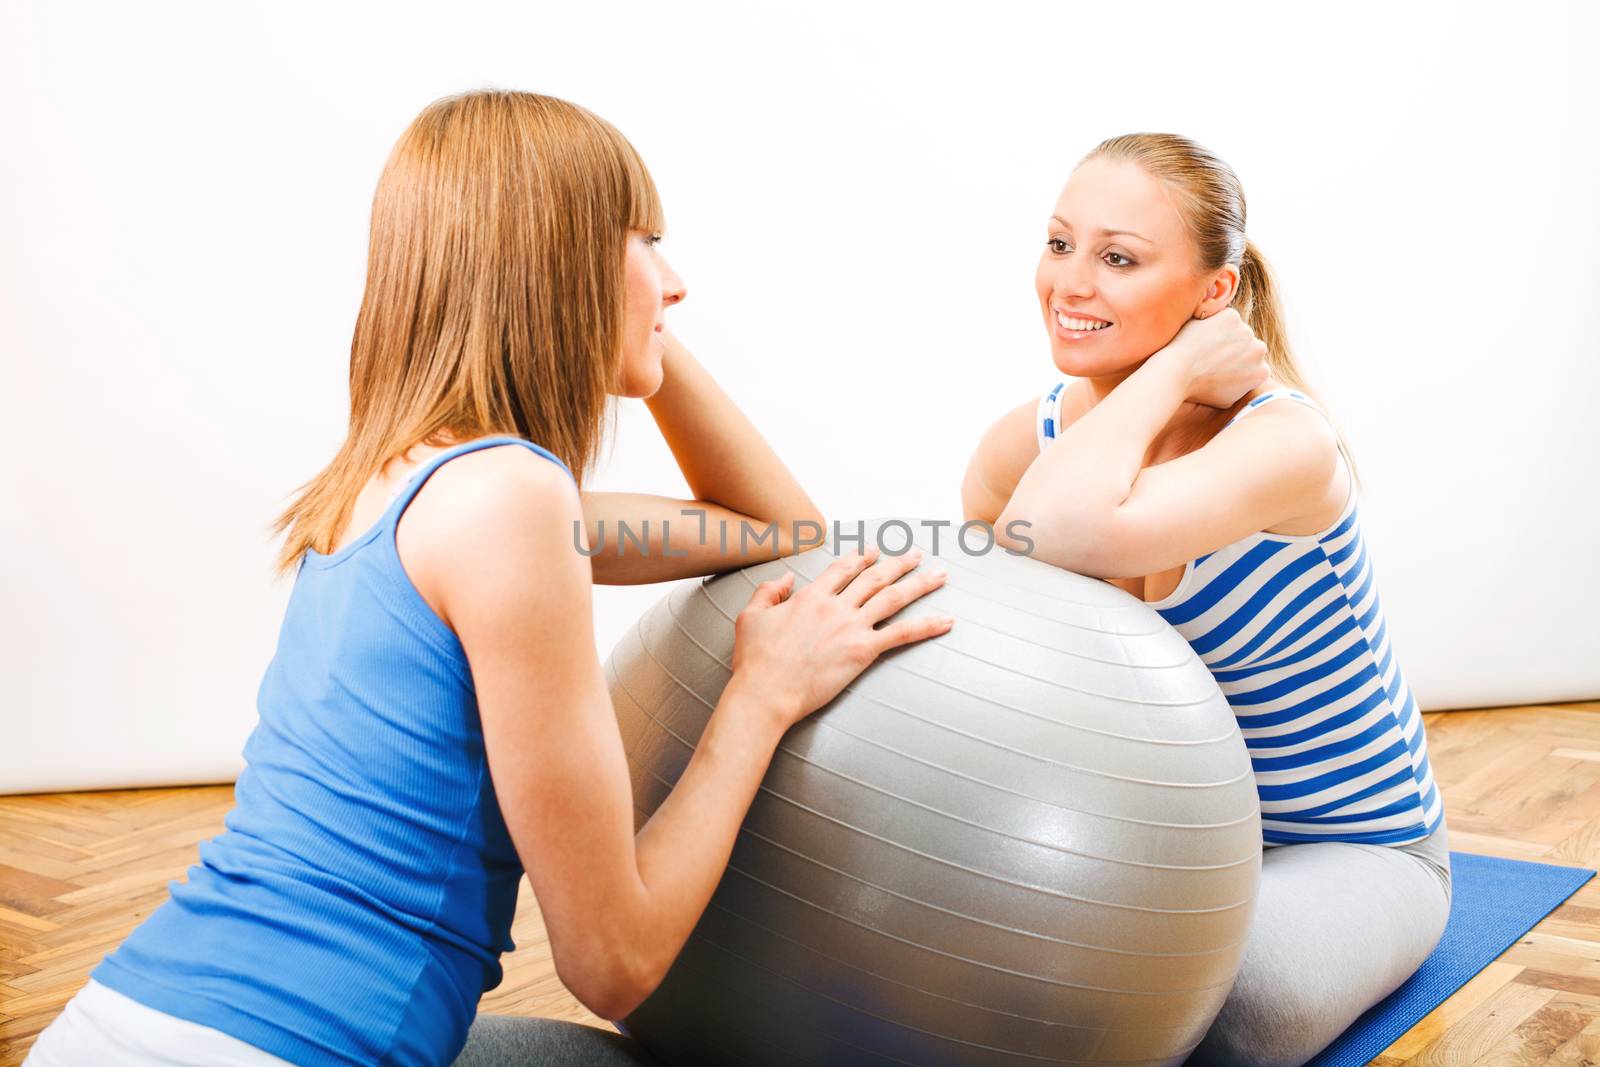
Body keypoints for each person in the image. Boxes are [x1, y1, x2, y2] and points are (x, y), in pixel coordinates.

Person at [24, 89, 954, 1067]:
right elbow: (615, 961)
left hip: (125, 1019)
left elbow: (777, 529)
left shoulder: (401, 479)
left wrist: (635, 326)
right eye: (642, 241)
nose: (674, 282)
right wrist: (760, 693)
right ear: (558, 267)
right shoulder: (508, 505)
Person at [961, 133, 1452, 1067]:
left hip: (1351, 849)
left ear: (1212, 295)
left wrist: (1178, 373)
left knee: (1226, 1009)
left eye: (1118, 258)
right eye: (1060, 243)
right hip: (1169, 840)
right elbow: (1003, 601)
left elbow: (1048, 535)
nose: (1070, 282)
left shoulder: (1284, 446)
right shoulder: (1038, 445)